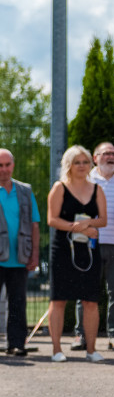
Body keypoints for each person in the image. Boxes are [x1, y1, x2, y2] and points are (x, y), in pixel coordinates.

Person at [46, 146, 107, 362]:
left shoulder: (97, 189)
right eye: (77, 162)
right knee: (58, 300)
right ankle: (56, 350)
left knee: (91, 300)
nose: (82, 166)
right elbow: (52, 219)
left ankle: (91, 350)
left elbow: (103, 220)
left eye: (85, 162)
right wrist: (76, 226)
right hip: (63, 249)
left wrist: (88, 223)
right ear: (69, 165)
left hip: (88, 251)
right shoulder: (59, 187)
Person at [70, 142, 114, 352]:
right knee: (85, 291)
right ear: (95, 158)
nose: (110, 157)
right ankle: (81, 336)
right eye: (105, 154)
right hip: (88, 245)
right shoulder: (86, 180)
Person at [0, 148, 40, 357]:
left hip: (19, 257)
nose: (4, 170)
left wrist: (34, 254)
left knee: (17, 302)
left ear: (13, 165)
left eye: (7, 165)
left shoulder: (25, 190)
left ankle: (16, 344)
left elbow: (34, 224)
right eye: (0, 166)